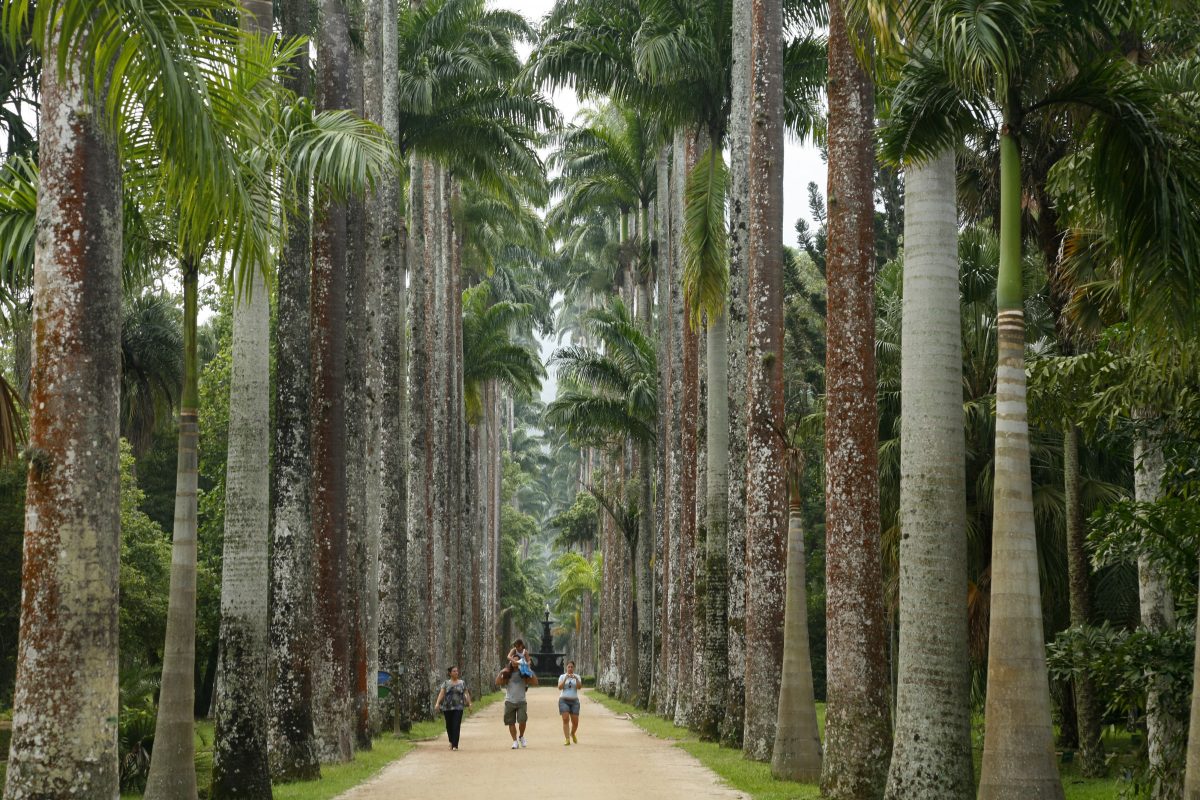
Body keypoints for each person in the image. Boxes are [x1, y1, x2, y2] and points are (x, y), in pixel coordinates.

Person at [496, 656, 537, 749]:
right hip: (509, 701)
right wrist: (500, 672)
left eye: (517, 660)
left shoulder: (524, 673)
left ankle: (521, 736)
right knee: (511, 722)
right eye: (513, 660)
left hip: (521, 701)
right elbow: (498, 682)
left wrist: (529, 670)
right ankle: (514, 741)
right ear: (510, 661)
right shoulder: (507, 673)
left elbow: (535, 682)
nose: (515, 661)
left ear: (520, 662)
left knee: (522, 720)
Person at [434, 665, 472, 751]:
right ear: (450, 673)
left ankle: (455, 745)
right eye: (454, 671)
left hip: (458, 707)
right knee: (449, 725)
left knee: (456, 725)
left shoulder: (462, 683)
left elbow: (466, 693)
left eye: (457, 671)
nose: (456, 673)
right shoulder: (446, 683)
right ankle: (451, 741)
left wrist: (469, 703)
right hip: (447, 708)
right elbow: (442, 693)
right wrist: (437, 703)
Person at [558, 660, 581, 745]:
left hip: (574, 701)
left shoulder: (577, 676)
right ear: (566, 668)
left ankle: (572, 733)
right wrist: (565, 679)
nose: (570, 668)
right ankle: (567, 738)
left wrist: (576, 679)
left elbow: (579, 687)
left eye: (572, 667)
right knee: (565, 719)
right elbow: (559, 687)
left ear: (574, 668)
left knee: (575, 722)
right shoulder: (562, 676)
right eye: (569, 667)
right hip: (563, 700)